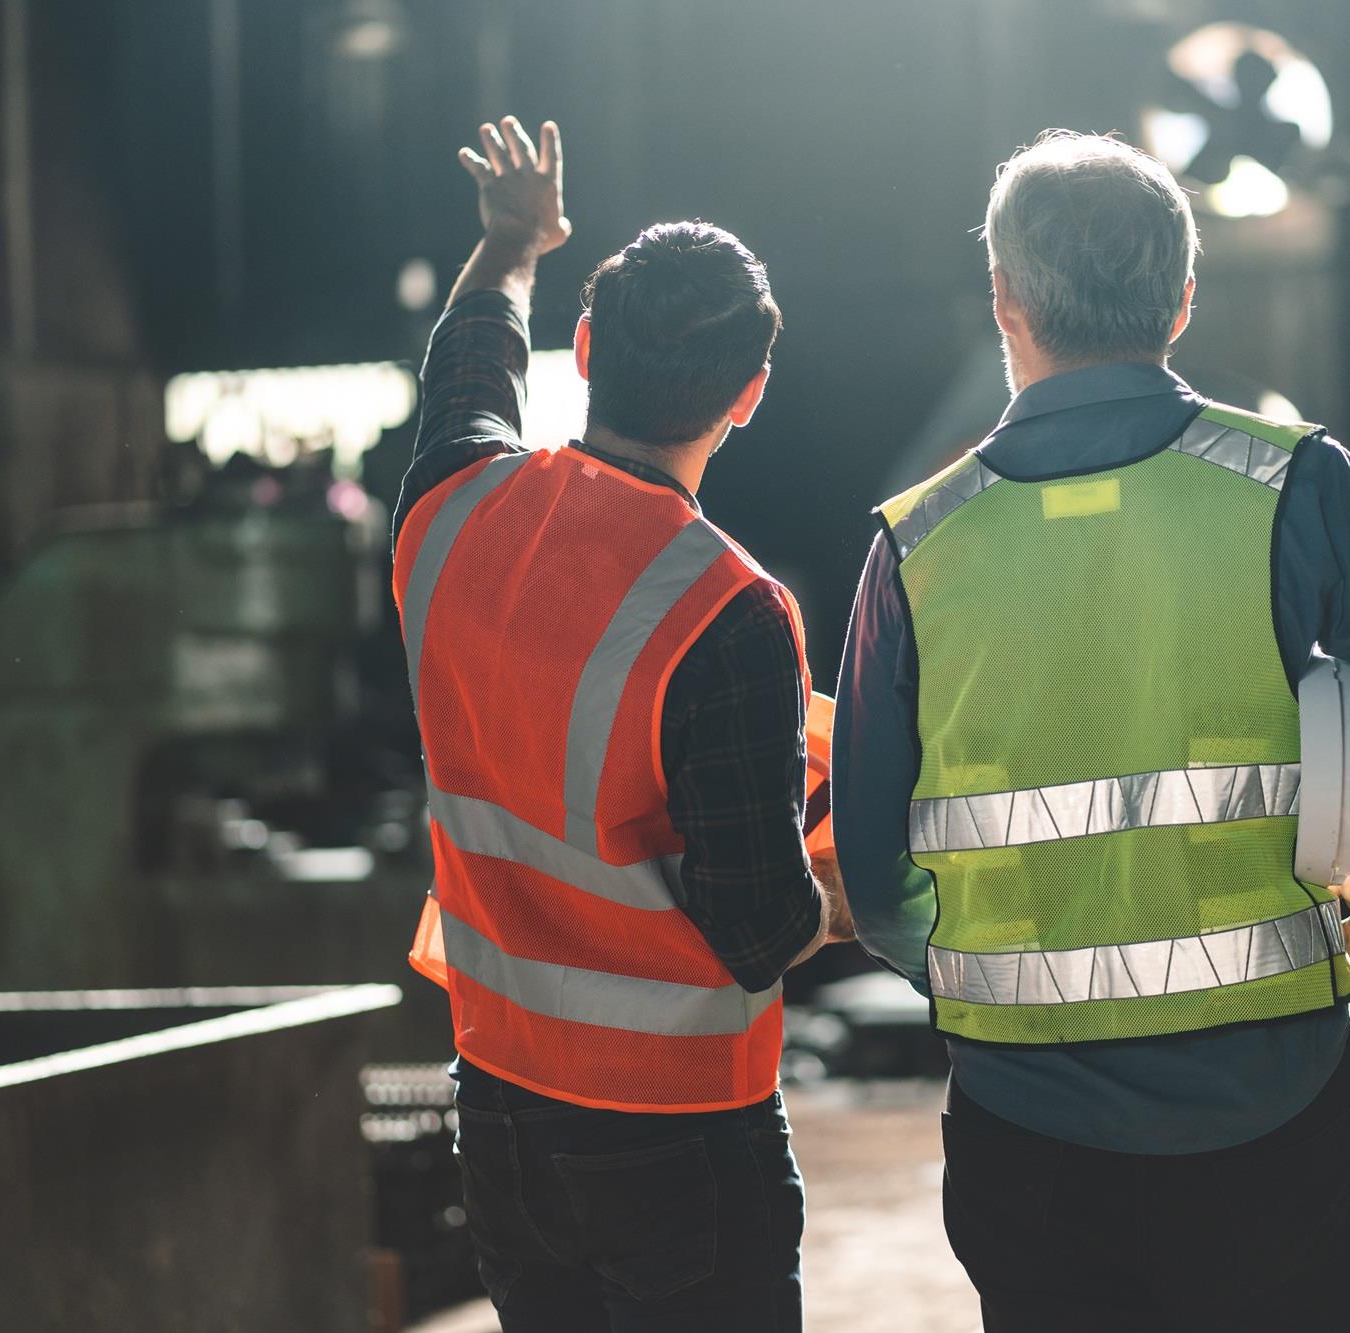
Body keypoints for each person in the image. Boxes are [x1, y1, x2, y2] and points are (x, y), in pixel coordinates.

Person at [832, 130, 1350, 1332]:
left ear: (1003, 300)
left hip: (1026, 1136)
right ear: (1180, 297)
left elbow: (872, 877)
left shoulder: (912, 548)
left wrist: (987, 981)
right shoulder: (1294, 485)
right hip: (1270, 1112)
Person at [393, 115, 848, 1333]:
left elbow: (469, 358)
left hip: (497, 1112)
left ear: (584, 348)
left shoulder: (445, 507)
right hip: (677, 1141)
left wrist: (514, 243)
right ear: (747, 395)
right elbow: (756, 926)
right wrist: (849, 879)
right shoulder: (732, 612)